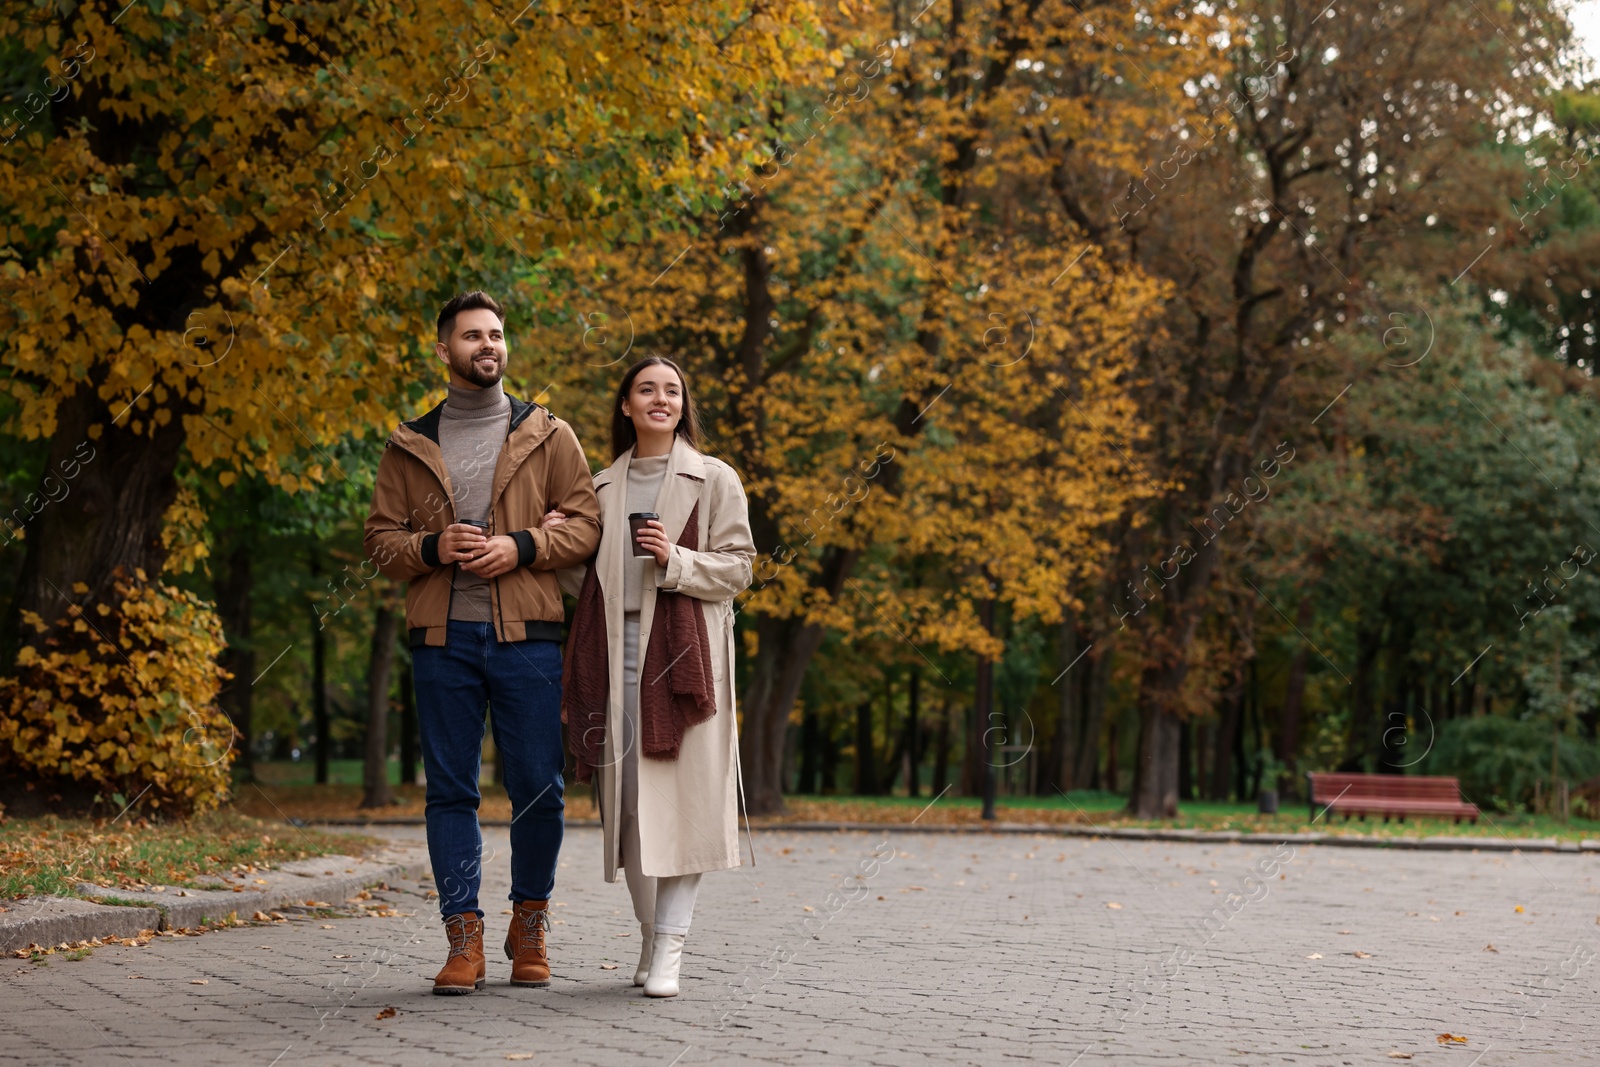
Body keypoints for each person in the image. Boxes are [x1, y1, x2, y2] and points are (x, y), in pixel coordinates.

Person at [363, 291, 601, 995]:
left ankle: (530, 920)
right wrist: (434, 545)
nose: (488, 345)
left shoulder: (549, 434)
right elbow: (379, 542)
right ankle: (462, 935)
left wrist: (522, 545)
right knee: (451, 791)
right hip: (442, 637)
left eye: (496, 334)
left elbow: (587, 524)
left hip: (528, 634)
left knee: (537, 788)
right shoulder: (409, 442)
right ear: (444, 351)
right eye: (472, 336)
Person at [549, 355, 755, 997]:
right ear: (626, 406)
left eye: (672, 390)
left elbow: (740, 568)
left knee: (685, 807)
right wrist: (557, 547)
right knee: (631, 809)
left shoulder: (715, 477)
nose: (660, 399)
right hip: (615, 655)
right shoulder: (600, 487)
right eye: (647, 389)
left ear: (682, 404)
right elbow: (590, 589)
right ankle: (648, 935)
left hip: (687, 663)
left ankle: (671, 948)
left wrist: (677, 559)